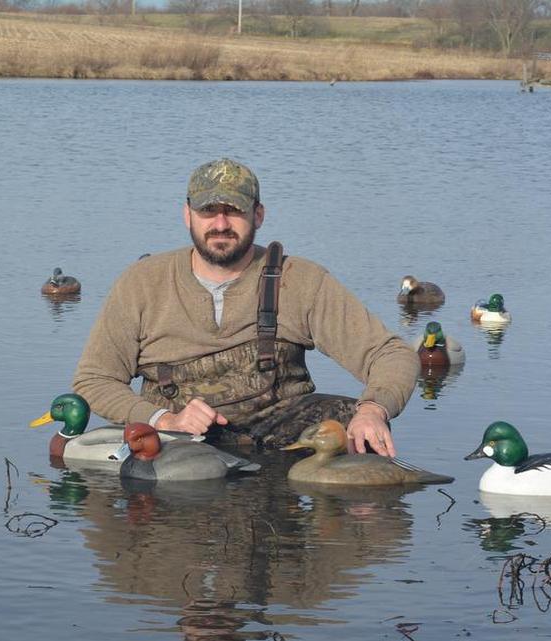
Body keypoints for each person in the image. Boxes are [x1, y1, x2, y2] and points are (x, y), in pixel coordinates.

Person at [72, 158, 418, 456]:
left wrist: (373, 410)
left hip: (284, 444)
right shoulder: (141, 283)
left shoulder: (301, 280)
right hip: (177, 446)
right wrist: (161, 419)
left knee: (349, 422)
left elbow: (391, 354)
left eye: (234, 211)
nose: (220, 225)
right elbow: (95, 379)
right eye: (208, 211)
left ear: (259, 215)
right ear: (187, 215)